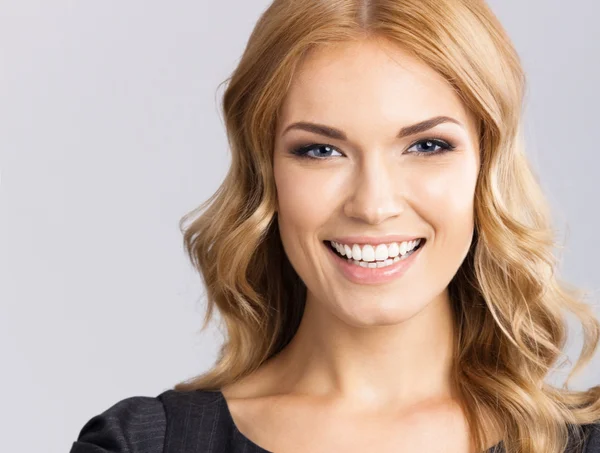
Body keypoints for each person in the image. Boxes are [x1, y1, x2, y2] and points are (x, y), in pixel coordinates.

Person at [69, 0, 600, 452]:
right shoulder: (146, 446)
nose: (373, 204)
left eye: (426, 146)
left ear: (487, 165)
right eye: (320, 150)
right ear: (266, 173)